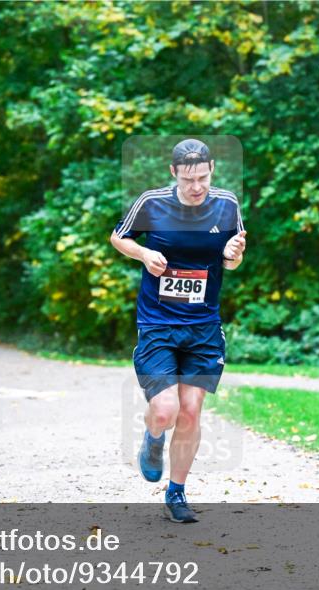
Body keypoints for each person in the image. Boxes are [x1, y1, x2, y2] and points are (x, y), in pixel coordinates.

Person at [109, 138, 246, 523]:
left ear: (212, 170)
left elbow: (233, 258)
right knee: (166, 410)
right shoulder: (152, 203)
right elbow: (119, 236)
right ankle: (153, 438)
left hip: (203, 326)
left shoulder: (227, 204)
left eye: (202, 177)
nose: (196, 186)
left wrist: (233, 256)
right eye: (188, 179)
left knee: (190, 412)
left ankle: (177, 493)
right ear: (173, 174)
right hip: (157, 323)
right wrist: (144, 253)